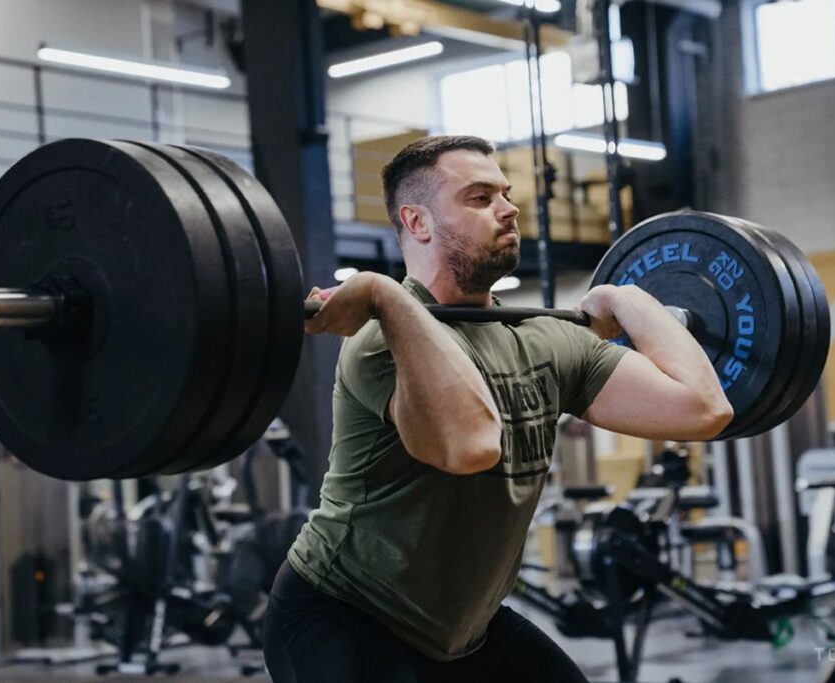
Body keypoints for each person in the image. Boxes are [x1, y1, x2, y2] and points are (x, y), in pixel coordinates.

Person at [262, 135, 732, 683]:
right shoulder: (379, 341)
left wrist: (628, 299)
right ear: (417, 223)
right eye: (480, 198)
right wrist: (384, 296)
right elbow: (470, 446)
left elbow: (704, 409)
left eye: (505, 194)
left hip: (466, 630)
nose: (510, 209)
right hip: (346, 615)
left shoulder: (542, 340)